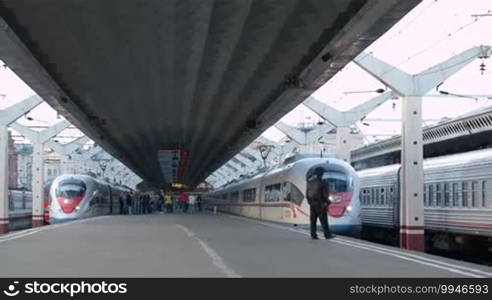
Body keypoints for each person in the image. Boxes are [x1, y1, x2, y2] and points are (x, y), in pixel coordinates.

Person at [306, 167, 333, 240]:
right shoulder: (323, 182)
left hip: (312, 204)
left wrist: (310, 202)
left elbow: (307, 193)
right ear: (322, 174)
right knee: (324, 220)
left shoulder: (310, 182)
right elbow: (325, 194)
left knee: (313, 220)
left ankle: (313, 234)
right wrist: (327, 202)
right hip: (320, 203)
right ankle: (327, 235)